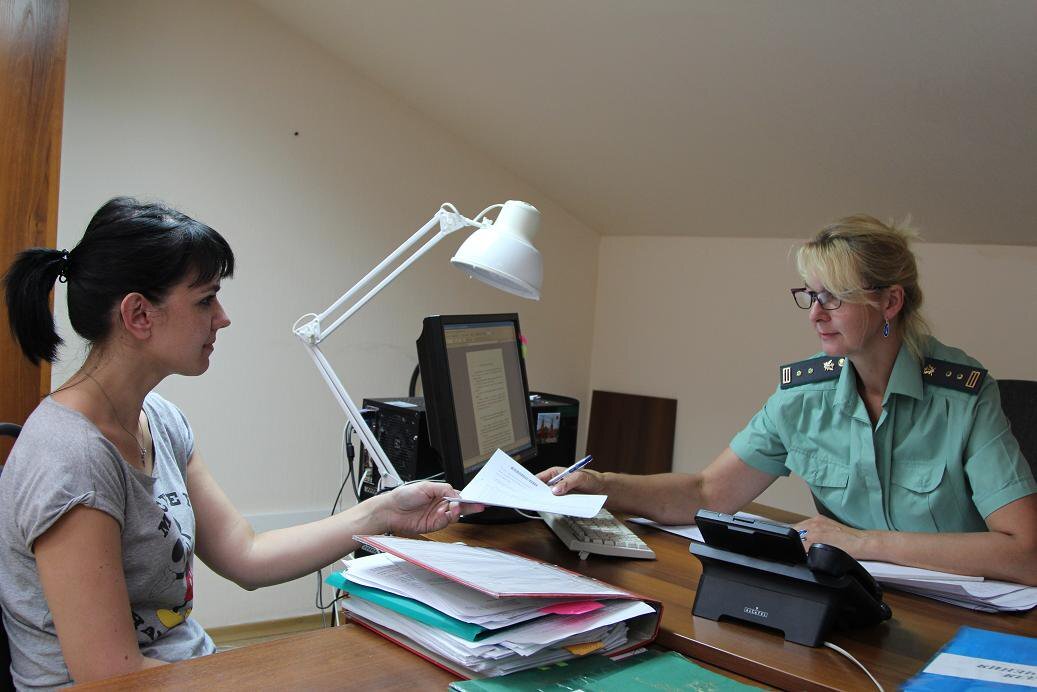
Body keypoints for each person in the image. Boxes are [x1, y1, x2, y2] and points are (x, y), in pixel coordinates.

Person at [0, 197, 478, 689]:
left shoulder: (159, 420)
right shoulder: (71, 458)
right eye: (205, 300)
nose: (222, 317)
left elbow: (245, 555)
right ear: (139, 314)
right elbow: (112, 678)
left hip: (185, 670)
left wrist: (383, 512)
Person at [541, 214, 1037, 586]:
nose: (815, 315)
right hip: (853, 599)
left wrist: (864, 543)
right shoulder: (805, 395)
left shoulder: (963, 397)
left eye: (834, 297)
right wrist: (600, 484)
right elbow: (708, 493)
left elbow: (1026, 552)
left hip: (961, 616)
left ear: (890, 301)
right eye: (811, 295)